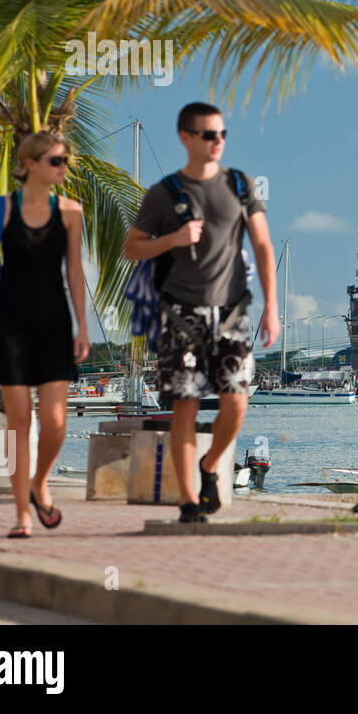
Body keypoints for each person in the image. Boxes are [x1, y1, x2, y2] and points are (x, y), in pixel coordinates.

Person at [124, 103, 278, 523]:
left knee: (237, 403)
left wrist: (273, 308)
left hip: (231, 312)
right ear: (185, 137)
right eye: (209, 134)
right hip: (179, 315)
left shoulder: (241, 185)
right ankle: (189, 502)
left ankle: (210, 465)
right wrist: (171, 238)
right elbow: (132, 246)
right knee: (185, 408)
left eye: (222, 133)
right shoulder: (164, 193)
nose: (218, 142)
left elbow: (263, 247)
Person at [0, 132, 89, 538]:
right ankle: (22, 516)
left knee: (55, 421)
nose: (62, 168)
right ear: (30, 163)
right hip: (8, 326)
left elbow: (75, 272)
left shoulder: (70, 212)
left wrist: (83, 326)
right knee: (18, 422)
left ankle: (39, 482)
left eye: (64, 161)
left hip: (53, 324)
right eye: (55, 161)